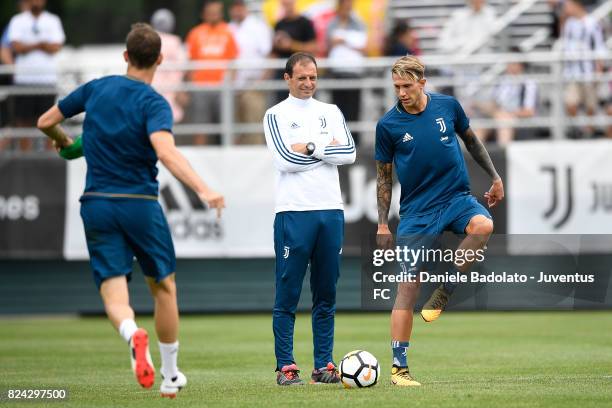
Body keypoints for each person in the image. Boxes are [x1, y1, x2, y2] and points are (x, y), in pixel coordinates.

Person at [36, 23, 225, 397]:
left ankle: (131, 333)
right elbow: (165, 151)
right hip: (139, 203)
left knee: (114, 293)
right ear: (159, 59)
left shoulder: (96, 88)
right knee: (164, 287)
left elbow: (45, 122)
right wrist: (204, 189)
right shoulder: (155, 102)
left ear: (125, 56)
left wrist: (66, 143)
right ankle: (170, 376)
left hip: (96, 204)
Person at [375, 56, 504, 386]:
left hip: (456, 199)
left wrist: (494, 177)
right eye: (396, 87)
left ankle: (447, 286)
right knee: (407, 287)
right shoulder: (388, 126)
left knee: (484, 226)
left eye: (406, 85)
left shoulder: (448, 106)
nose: (401, 92)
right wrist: (383, 223)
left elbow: (472, 141)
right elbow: (384, 179)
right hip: (417, 212)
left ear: (422, 82)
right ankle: (398, 369)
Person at [263, 52, 356, 386]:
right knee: (287, 293)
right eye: (302, 77)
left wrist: (311, 146)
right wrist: (325, 151)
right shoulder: (275, 114)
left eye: (313, 77)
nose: (308, 83)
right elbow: (285, 159)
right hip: (293, 212)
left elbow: (349, 154)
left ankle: (323, 365)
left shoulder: (330, 112)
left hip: (330, 211)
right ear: (287, 78)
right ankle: (286, 366)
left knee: (326, 293)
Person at [7, 0, 64, 150]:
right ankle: (25, 159)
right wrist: (41, 45)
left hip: (46, 81)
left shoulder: (53, 20)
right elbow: (16, 47)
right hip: (24, 80)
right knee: (23, 122)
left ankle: (48, 157)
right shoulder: (17, 20)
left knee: (49, 123)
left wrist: (29, 45)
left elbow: (56, 47)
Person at [185, 0, 238, 144]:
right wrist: (189, 88)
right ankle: (199, 164)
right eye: (211, 12)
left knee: (227, 126)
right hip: (200, 86)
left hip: (223, 87)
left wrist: (231, 85)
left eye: (217, 11)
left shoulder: (228, 31)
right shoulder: (195, 33)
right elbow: (191, 62)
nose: (214, 15)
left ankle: (229, 160)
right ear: (204, 14)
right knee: (200, 128)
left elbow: (233, 61)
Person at [561, 0, 607, 138]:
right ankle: (580, 129)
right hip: (572, 73)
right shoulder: (569, 24)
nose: (565, 8)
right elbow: (565, 46)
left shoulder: (591, 23)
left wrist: (598, 69)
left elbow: (598, 47)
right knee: (570, 102)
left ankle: (589, 132)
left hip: (588, 71)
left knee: (590, 105)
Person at [229, 0, 272, 144]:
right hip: (232, 86)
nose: (237, 10)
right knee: (235, 129)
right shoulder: (229, 28)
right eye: (235, 7)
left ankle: (255, 164)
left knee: (253, 126)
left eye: (240, 7)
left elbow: (269, 55)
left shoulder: (258, 27)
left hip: (253, 83)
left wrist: (261, 82)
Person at [473, 51, 539, 145]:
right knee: (480, 126)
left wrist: (507, 113)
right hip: (498, 116)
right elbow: (494, 103)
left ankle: (503, 155)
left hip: (518, 119)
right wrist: (481, 106)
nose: (509, 66)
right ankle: (472, 158)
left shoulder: (529, 84)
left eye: (512, 63)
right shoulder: (502, 81)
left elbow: (529, 111)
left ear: (521, 65)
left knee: (504, 122)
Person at [326, 0, 367, 145]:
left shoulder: (359, 23)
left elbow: (364, 47)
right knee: (338, 111)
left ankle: (355, 143)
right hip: (337, 73)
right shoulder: (332, 24)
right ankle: (339, 143)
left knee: (354, 110)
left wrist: (344, 40)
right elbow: (327, 45)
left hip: (354, 73)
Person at [271, 0, 316, 102]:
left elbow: (313, 47)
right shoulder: (279, 24)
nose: (287, 6)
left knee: (303, 103)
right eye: (285, 4)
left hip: (302, 71)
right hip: (282, 71)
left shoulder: (305, 22)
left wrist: (291, 45)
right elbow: (273, 51)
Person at [151, 8, 188, 124]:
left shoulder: (147, 41)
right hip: (171, 93)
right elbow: (184, 67)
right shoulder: (175, 42)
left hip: (152, 92)